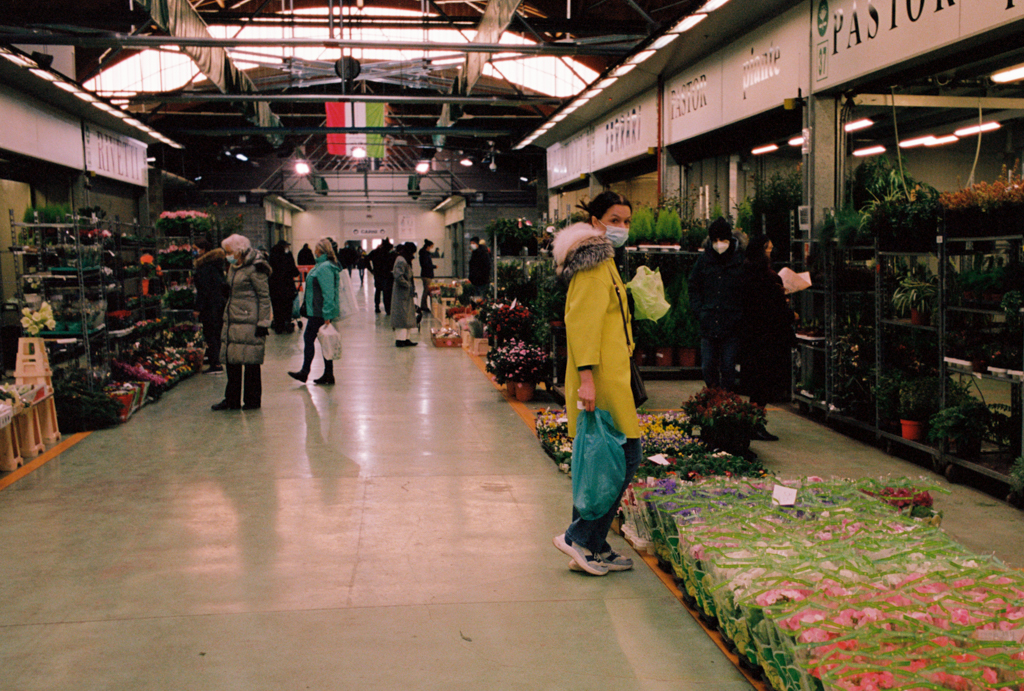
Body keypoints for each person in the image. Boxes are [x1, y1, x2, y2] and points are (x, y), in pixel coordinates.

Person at [550, 191, 642, 577]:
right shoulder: (592, 264)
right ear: (596, 222)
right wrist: (586, 380)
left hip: (613, 375)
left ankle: (594, 545)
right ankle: (579, 537)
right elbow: (581, 321)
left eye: (626, 221)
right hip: (600, 379)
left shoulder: (606, 261)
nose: (621, 228)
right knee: (624, 456)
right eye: (615, 219)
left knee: (598, 460)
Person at [741, 234, 796, 441]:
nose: (770, 253)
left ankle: (751, 423)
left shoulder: (745, 273)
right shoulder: (769, 277)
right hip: (769, 338)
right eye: (768, 250)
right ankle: (756, 424)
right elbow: (774, 310)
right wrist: (790, 312)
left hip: (750, 336)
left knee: (756, 384)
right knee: (764, 385)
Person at [212, 234, 272, 411]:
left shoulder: (256, 268)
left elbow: (264, 297)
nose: (227, 255)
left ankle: (252, 400)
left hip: (249, 320)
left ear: (239, 251)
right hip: (233, 319)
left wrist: (263, 322)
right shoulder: (234, 266)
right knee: (233, 361)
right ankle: (231, 399)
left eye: (229, 251)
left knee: (251, 362)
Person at [689, 217, 746, 392]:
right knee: (707, 367)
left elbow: (747, 291)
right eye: (715, 240)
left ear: (730, 240)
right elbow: (693, 286)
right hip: (709, 322)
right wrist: (699, 311)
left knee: (728, 367)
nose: (719, 244)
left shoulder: (740, 261)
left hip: (732, 324)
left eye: (723, 240)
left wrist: (740, 314)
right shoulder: (704, 260)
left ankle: (725, 399)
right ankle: (714, 397)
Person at [288, 237, 341, 385]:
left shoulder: (324, 268)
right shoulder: (323, 266)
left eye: (315, 249)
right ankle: (328, 374)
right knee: (324, 341)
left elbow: (328, 293)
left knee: (310, 339)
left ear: (320, 250)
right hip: (318, 310)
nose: (314, 252)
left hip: (320, 312)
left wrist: (327, 315)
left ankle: (306, 372)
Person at [192, 238, 227, 374]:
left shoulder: (205, 268)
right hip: (218, 304)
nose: (194, 252)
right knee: (216, 333)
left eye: (196, 249)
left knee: (210, 333)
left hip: (209, 306)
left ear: (203, 250)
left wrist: (197, 308)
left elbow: (204, 290)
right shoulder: (215, 265)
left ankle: (215, 363)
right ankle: (216, 359)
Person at [267, 240, 300, 334]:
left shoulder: (271, 255)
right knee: (287, 307)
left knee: (277, 308)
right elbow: (294, 270)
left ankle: (278, 326)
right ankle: (287, 324)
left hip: (274, 288)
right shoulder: (287, 256)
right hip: (287, 287)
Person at [391, 242, 419, 347]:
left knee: (407, 316)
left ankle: (406, 338)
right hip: (401, 292)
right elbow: (398, 276)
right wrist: (407, 285)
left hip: (406, 292)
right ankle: (400, 339)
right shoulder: (401, 260)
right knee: (402, 316)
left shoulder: (404, 259)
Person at [368, 239, 394, 314]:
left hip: (377, 274)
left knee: (378, 290)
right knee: (386, 292)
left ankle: (377, 307)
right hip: (386, 274)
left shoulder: (375, 252)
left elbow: (366, 259)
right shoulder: (387, 252)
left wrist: (371, 269)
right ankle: (387, 309)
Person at [417, 239, 436, 318]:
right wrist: (433, 266)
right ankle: (423, 305)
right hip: (427, 274)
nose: (431, 248)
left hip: (426, 274)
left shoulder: (424, 254)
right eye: (431, 246)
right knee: (427, 290)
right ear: (428, 246)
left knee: (427, 290)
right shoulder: (425, 254)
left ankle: (425, 305)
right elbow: (426, 265)